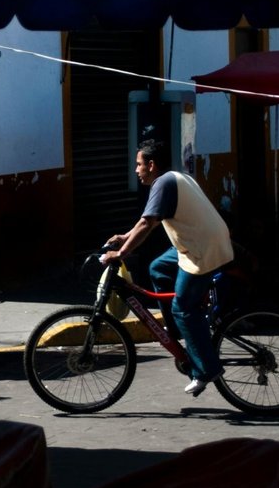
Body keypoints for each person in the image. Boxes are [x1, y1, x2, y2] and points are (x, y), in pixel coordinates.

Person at [100, 138, 235, 396]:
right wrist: (124, 237)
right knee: (158, 269)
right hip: (198, 243)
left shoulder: (163, 183)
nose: (136, 170)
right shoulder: (172, 178)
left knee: (183, 308)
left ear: (151, 165)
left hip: (201, 249)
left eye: (138, 164)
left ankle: (206, 368)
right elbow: (146, 221)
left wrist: (121, 253)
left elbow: (147, 224)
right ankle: (176, 331)